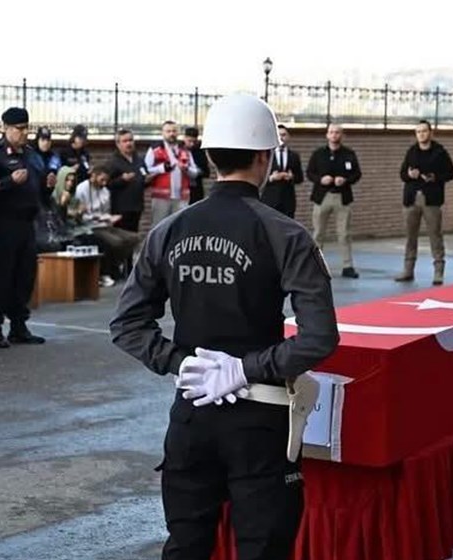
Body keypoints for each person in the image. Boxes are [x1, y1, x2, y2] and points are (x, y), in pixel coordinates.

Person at [109, 93, 339, 560]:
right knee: (262, 548)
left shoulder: (168, 230)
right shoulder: (284, 234)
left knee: (186, 546)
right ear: (265, 156)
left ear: (209, 156)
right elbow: (319, 337)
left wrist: (183, 362)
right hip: (260, 419)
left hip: (191, 414)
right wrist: (245, 369)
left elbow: (127, 324)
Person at [0, 107, 46, 348]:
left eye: (27, 128)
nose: (24, 132)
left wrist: (47, 185)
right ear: (5, 128)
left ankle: (19, 324)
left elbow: (38, 184)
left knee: (24, 276)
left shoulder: (32, 154)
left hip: (26, 223)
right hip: (1, 224)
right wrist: (8, 182)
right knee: (0, 277)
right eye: (19, 128)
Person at [395, 120, 453, 285]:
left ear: (430, 133)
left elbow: (450, 173)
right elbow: (402, 174)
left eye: (424, 131)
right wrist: (410, 175)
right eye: (418, 132)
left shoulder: (439, 152)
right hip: (412, 198)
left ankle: (438, 271)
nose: (421, 134)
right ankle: (408, 270)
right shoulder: (412, 152)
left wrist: (434, 177)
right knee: (410, 236)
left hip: (431, 199)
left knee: (435, 235)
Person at [306, 123, 361, 278]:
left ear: (341, 135)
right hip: (322, 197)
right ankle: (315, 266)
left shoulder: (349, 154)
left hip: (342, 198)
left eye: (337, 132)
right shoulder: (318, 154)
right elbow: (309, 173)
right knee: (318, 233)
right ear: (327, 135)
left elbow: (357, 174)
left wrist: (345, 180)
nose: (334, 135)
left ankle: (347, 266)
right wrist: (320, 179)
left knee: (344, 233)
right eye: (331, 132)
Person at [145, 121, 201, 225]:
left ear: (178, 132)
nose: (171, 133)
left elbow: (195, 173)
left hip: (181, 197)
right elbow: (146, 170)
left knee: (179, 227)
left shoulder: (185, 150)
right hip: (161, 197)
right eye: (168, 131)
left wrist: (186, 169)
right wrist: (161, 168)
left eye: (174, 131)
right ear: (163, 133)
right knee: (159, 226)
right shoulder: (155, 149)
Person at [260, 124, 303, 218]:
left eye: (284, 135)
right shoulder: (266, 155)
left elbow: (300, 178)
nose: (281, 138)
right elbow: (258, 178)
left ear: (288, 137)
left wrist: (292, 177)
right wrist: (271, 178)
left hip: (288, 201)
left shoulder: (294, 156)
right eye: (279, 135)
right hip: (270, 200)